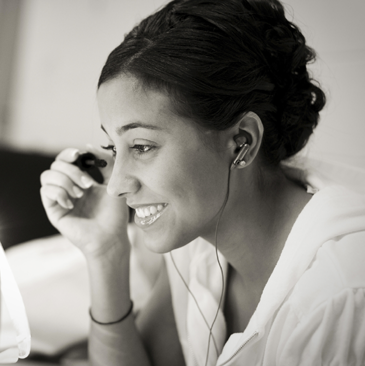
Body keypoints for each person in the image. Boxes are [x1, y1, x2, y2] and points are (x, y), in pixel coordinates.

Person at [39, 0, 365, 365]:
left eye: (142, 146)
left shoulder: (342, 295)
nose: (116, 185)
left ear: (242, 141)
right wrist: (106, 255)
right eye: (112, 147)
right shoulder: (195, 242)